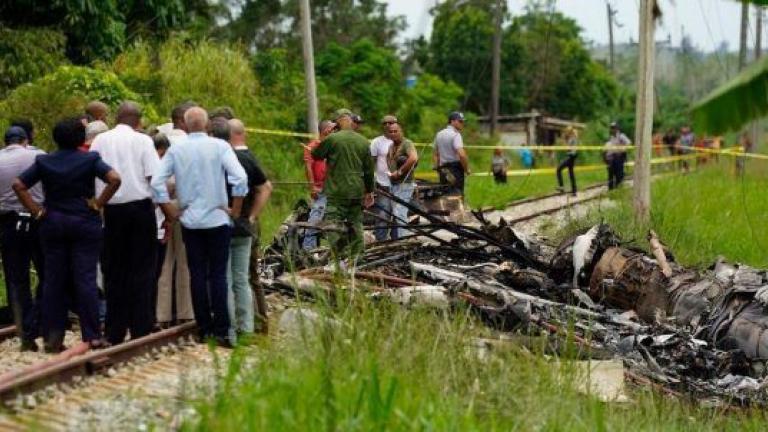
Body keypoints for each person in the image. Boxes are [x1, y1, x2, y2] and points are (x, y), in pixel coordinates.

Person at [13, 117, 121, 352]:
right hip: (84, 221)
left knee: (54, 280)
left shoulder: (44, 161)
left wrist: (37, 211)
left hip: (52, 222)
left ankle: (53, 338)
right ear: (81, 139)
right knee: (85, 279)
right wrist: (98, 203)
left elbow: (19, 185)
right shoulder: (90, 159)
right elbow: (114, 179)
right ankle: (92, 335)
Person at [151, 107, 248, 347]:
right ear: (206, 125)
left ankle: (204, 329)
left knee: (196, 274)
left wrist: (170, 211)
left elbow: (157, 182)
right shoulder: (220, 147)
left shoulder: (177, 149)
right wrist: (235, 210)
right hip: (217, 219)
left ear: (184, 124)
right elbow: (240, 178)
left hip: (190, 221)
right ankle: (223, 330)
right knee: (218, 275)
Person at [90, 101, 161, 345]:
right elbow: (155, 177)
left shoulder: (100, 140)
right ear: (139, 121)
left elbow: (93, 173)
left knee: (114, 270)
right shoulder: (144, 141)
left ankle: (114, 330)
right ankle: (141, 327)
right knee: (142, 270)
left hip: (110, 210)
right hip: (141, 210)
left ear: (115, 119)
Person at [226, 118, 272, 341]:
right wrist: (253, 216)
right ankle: (254, 324)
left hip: (241, 223)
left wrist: (250, 215)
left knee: (242, 277)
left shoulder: (237, 158)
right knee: (246, 277)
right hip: (247, 224)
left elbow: (265, 188)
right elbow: (266, 187)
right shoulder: (249, 157)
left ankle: (252, 324)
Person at [0, 126, 44, 351]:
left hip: (9, 223)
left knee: (16, 280)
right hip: (39, 219)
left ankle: (25, 334)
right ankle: (43, 323)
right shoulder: (39, 155)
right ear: (26, 140)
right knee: (47, 274)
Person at [311, 108, 375, 263]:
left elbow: (316, 155)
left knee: (333, 223)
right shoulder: (363, 141)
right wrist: (369, 192)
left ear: (337, 122)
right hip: (357, 190)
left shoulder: (333, 139)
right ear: (352, 121)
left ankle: (337, 257)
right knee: (356, 223)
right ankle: (357, 257)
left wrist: (326, 135)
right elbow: (369, 170)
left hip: (337, 190)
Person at [155, 103, 196, 328]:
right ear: (183, 120)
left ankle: (162, 313)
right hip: (183, 206)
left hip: (161, 206)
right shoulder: (185, 143)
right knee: (184, 260)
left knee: (164, 261)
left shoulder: (161, 137)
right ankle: (185, 312)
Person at [302, 120, 335, 250]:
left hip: (333, 188)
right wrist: (312, 186)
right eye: (333, 129)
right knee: (316, 216)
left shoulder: (333, 146)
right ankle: (308, 248)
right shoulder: (313, 146)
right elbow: (308, 167)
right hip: (320, 188)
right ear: (326, 130)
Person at [385, 123, 418, 240]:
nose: (393, 133)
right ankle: (398, 238)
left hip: (405, 183)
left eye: (396, 131)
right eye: (391, 131)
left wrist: (399, 172)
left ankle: (403, 240)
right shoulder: (391, 146)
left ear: (401, 131)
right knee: (395, 213)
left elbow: (414, 158)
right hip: (393, 183)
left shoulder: (407, 143)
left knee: (400, 212)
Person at [152, 133, 172, 325]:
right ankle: (151, 317)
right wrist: (170, 217)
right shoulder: (158, 169)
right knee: (154, 273)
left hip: (148, 227)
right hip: (156, 228)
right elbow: (160, 194)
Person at [370, 115, 397, 241]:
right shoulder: (376, 142)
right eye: (385, 123)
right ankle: (380, 241)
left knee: (398, 214)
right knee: (382, 213)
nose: (388, 125)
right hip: (383, 183)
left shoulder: (402, 141)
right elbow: (371, 162)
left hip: (398, 184)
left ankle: (396, 240)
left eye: (391, 123)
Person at [433, 111, 470, 196]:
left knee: (444, 194)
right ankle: (457, 209)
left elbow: (435, 153)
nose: (462, 123)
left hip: (443, 169)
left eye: (463, 121)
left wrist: (437, 168)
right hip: (455, 169)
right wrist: (466, 169)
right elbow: (462, 155)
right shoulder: (456, 135)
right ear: (452, 121)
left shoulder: (439, 134)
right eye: (460, 121)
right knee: (456, 195)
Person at [604, 122, 630, 190]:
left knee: (619, 172)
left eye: (613, 128)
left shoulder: (621, 136)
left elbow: (628, 142)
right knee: (612, 172)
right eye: (611, 128)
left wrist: (622, 149)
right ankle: (612, 188)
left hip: (620, 156)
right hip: (614, 156)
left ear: (617, 129)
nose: (612, 130)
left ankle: (619, 187)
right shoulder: (612, 137)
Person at [556, 126, 578, 195]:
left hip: (571, 157)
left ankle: (562, 187)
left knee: (558, 169)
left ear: (569, 131)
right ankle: (574, 190)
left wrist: (564, 143)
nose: (566, 133)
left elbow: (570, 149)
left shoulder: (573, 139)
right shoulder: (572, 138)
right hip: (571, 157)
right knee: (571, 174)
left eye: (567, 131)